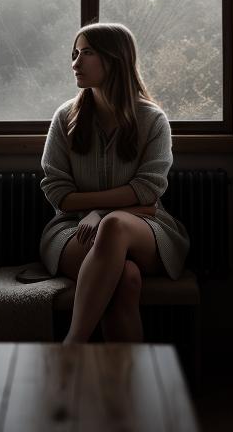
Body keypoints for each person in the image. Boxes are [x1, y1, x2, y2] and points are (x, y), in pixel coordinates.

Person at [38, 22, 189, 344]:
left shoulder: (152, 120)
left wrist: (101, 211)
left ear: (114, 59)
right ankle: (124, 387)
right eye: (75, 53)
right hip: (71, 228)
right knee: (125, 278)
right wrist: (102, 207)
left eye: (87, 53)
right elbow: (58, 194)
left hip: (145, 225)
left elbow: (149, 191)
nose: (75, 63)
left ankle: (71, 346)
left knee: (115, 226)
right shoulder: (65, 118)